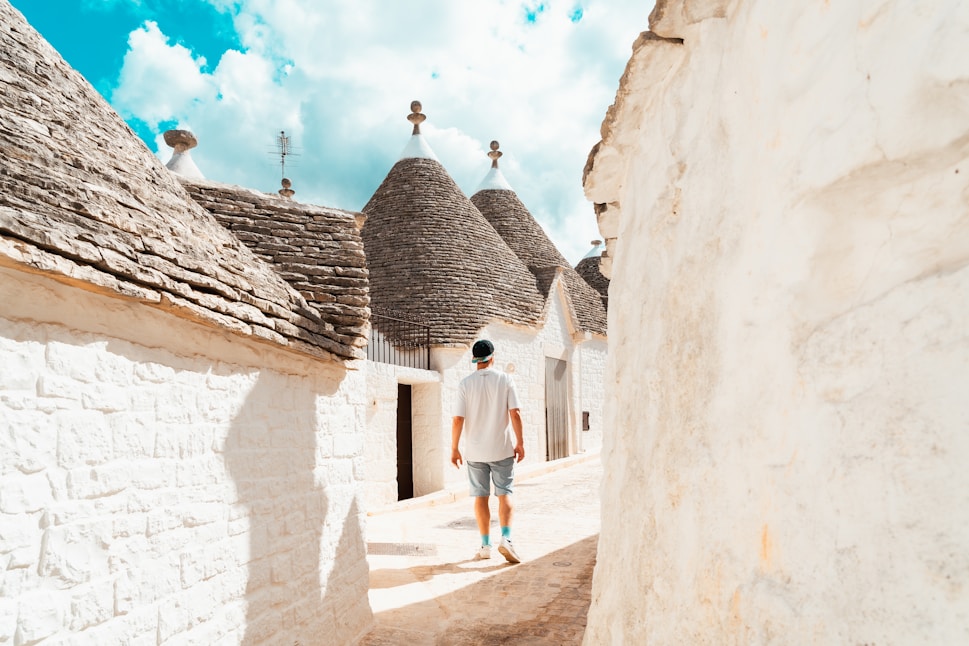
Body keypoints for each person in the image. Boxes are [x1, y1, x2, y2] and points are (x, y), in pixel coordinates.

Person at [451, 339, 525, 563]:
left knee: (480, 498)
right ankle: (506, 539)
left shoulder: (465, 384)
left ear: (475, 360)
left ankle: (485, 546)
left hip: (475, 453)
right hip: (502, 449)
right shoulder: (505, 379)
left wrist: (454, 448)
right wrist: (520, 443)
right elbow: (515, 413)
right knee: (505, 494)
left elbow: (457, 419)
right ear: (492, 357)